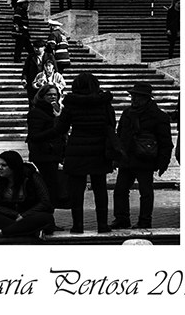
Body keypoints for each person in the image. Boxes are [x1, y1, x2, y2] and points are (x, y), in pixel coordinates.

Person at [55, 72, 119, 233]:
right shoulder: (104, 102)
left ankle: (77, 225)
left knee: (76, 190)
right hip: (99, 148)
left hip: (77, 148)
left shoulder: (71, 103)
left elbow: (61, 128)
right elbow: (112, 123)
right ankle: (102, 225)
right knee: (100, 188)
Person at [111, 81, 173, 230]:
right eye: (133, 96)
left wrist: (163, 162)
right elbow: (120, 135)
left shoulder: (158, 116)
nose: (133, 99)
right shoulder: (127, 113)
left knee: (145, 192)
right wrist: (116, 156)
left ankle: (145, 220)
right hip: (127, 158)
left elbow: (165, 142)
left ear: (146, 98)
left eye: (137, 96)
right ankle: (122, 219)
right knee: (120, 190)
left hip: (145, 159)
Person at [0, 151, 54, 239]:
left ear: (13, 166)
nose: (0, 168)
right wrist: (15, 215)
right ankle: (31, 232)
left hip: (31, 215)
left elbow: (45, 202)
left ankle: (1, 233)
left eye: (4, 165)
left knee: (46, 218)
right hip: (10, 217)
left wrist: (24, 216)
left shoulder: (31, 177)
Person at [26, 83, 66, 217]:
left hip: (55, 153)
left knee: (52, 187)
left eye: (55, 94)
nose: (53, 97)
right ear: (42, 96)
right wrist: (55, 128)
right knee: (49, 187)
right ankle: (47, 217)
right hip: (44, 154)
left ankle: (48, 217)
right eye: (49, 95)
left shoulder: (56, 110)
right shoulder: (36, 112)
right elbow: (34, 135)